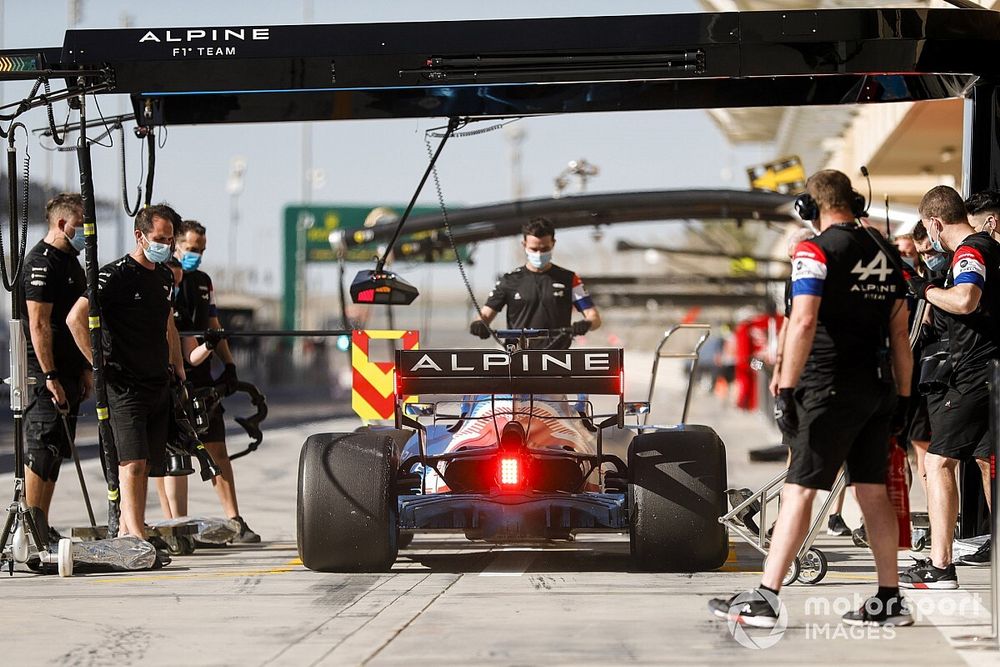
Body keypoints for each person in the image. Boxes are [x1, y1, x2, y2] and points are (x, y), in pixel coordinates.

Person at [709, 169, 913, 628]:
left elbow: (801, 323)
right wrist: (901, 397)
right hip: (878, 389)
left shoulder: (814, 251)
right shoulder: (885, 251)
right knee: (873, 492)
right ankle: (889, 599)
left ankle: (765, 599)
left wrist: (783, 387)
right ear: (854, 202)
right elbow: (900, 333)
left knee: (799, 489)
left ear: (811, 208)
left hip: (828, 388)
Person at [67, 204, 186, 540]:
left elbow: (168, 324)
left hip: (156, 381)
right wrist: (97, 364)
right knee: (130, 462)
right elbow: (75, 319)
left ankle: (135, 526)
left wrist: (177, 365)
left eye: (170, 239)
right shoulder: (114, 275)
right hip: (124, 385)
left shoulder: (164, 276)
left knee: (146, 463)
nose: (166, 245)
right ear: (140, 236)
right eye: (159, 238)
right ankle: (133, 534)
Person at [899, 186, 999, 587]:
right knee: (988, 463)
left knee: (937, 463)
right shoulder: (989, 247)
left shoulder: (970, 252)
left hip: (972, 374)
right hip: (989, 371)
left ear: (935, 223)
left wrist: (925, 290)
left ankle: (940, 566)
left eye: (929, 228)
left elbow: (965, 300)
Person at [160, 219, 259, 543]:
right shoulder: (161, 277)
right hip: (172, 376)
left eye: (201, 250)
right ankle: (177, 525)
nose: (197, 256)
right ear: (176, 245)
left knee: (217, 447)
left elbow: (214, 324)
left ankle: (234, 519)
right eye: (191, 249)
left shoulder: (202, 281)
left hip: (203, 376)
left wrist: (229, 366)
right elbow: (182, 345)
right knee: (175, 455)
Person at [22, 193, 90, 543]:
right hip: (43, 375)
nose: (85, 232)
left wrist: (84, 370)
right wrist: (49, 376)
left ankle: (42, 524)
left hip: (68, 372)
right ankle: (30, 529)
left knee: (57, 452)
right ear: (63, 224)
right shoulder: (40, 263)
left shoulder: (73, 263)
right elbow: (39, 324)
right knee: (41, 448)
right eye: (80, 225)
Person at [469, 217, 601, 349]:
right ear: (524, 245)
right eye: (534, 249)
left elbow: (594, 317)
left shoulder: (569, 278)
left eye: (544, 249)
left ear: (553, 243)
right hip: (518, 356)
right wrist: (479, 324)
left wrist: (586, 324)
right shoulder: (509, 280)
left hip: (558, 357)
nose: (539, 254)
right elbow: (485, 315)